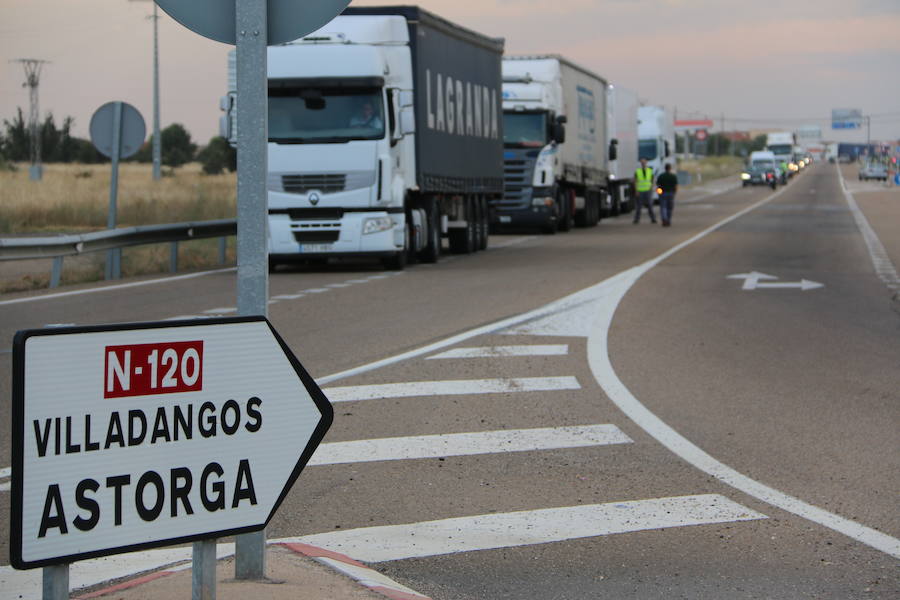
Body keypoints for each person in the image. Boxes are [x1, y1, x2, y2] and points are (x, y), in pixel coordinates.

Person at [633, 158, 656, 224]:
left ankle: (653, 219)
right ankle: (636, 219)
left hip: (648, 190)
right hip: (640, 191)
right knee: (639, 207)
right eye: (642, 162)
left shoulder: (650, 171)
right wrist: (636, 190)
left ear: (646, 162)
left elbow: (652, 180)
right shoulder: (638, 171)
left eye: (644, 162)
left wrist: (652, 188)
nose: (643, 163)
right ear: (640, 163)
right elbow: (635, 181)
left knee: (650, 205)